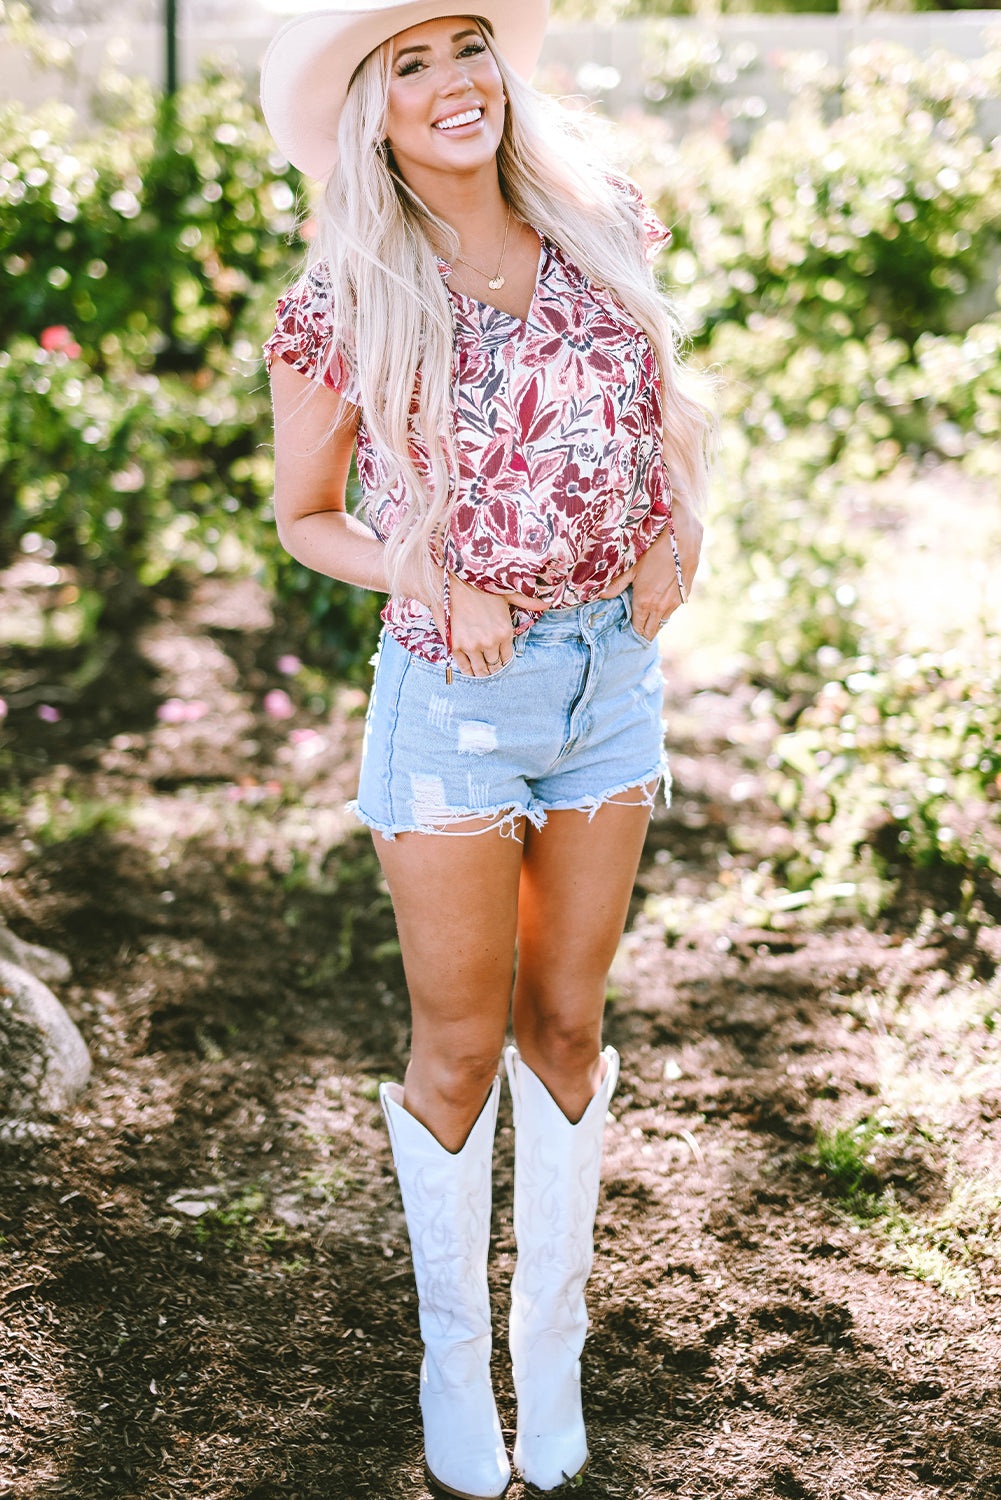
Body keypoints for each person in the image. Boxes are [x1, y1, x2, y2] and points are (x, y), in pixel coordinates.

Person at [260, 3, 713, 1493]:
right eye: (410, 62)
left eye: (468, 46)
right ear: (368, 108)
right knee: (459, 1043)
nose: (452, 80)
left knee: (566, 1026)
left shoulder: (600, 214)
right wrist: (425, 572)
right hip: (456, 697)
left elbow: (663, 407)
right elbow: (305, 516)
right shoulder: (346, 290)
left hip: (607, 684)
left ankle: (548, 1347)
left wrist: (681, 525)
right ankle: (453, 1361)